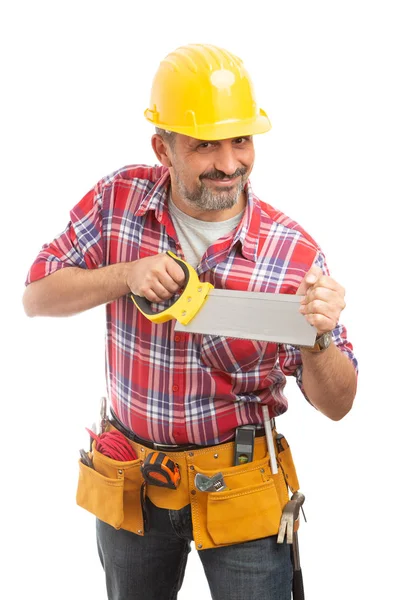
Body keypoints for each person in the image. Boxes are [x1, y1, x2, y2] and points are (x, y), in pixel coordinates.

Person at [23, 43, 358, 600]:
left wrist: (318, 337)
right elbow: (36, 296)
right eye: (205, 145)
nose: (229, 164)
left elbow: (340, 404)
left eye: (241, 140)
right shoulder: (119, 201)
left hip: (242, 489)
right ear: (163, 147)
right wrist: (123, 276)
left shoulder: (293, 254)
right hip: (134, 480)